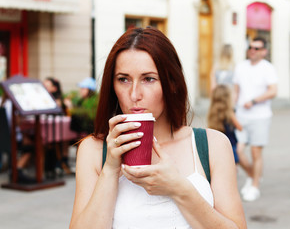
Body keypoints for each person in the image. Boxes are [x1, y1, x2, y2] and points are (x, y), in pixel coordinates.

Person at [69, 27, 247, 229]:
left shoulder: (212, 145)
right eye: (123, 79)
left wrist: (179, 189)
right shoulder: (93, 150)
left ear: (172, 83)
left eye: (148, 79)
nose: (134, 94)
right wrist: (110, 169)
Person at [232, 37, 278, 202]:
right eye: (251, 47)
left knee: (255, 153)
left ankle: (255, 186)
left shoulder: (268, 68)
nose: (253, 50)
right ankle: (253, 176)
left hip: (260, 116)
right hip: (241, 116)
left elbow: (273, 91)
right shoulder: (241, 67)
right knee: (238, 151)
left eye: (257, 48)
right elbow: (236, 90)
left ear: (264, 51)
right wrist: (232, 108)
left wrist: (254, 101)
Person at [207, 85, 242, 165]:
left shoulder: (212, 112)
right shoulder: (230, 113)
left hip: (218, 145)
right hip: (231, 144)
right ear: (227, 99)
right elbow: (240, 128)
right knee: (232, 167)